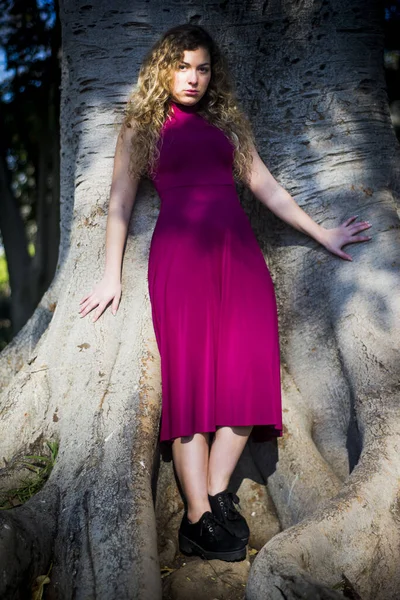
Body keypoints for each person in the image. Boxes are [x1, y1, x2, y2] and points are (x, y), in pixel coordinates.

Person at [78, 24, 372, 562]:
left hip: (240, 259)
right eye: (183, 66)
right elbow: (120, 203)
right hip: (180, 264)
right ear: (164, 68)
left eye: (202, 68)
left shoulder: (228, 123)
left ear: (213, 73)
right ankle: (196, 518)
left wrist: (323, 232)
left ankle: (215, 495)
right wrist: (110, 275)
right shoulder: (142, 126)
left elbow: (266, 187)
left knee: (250, 373)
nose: (192, 78)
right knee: (189, 384)